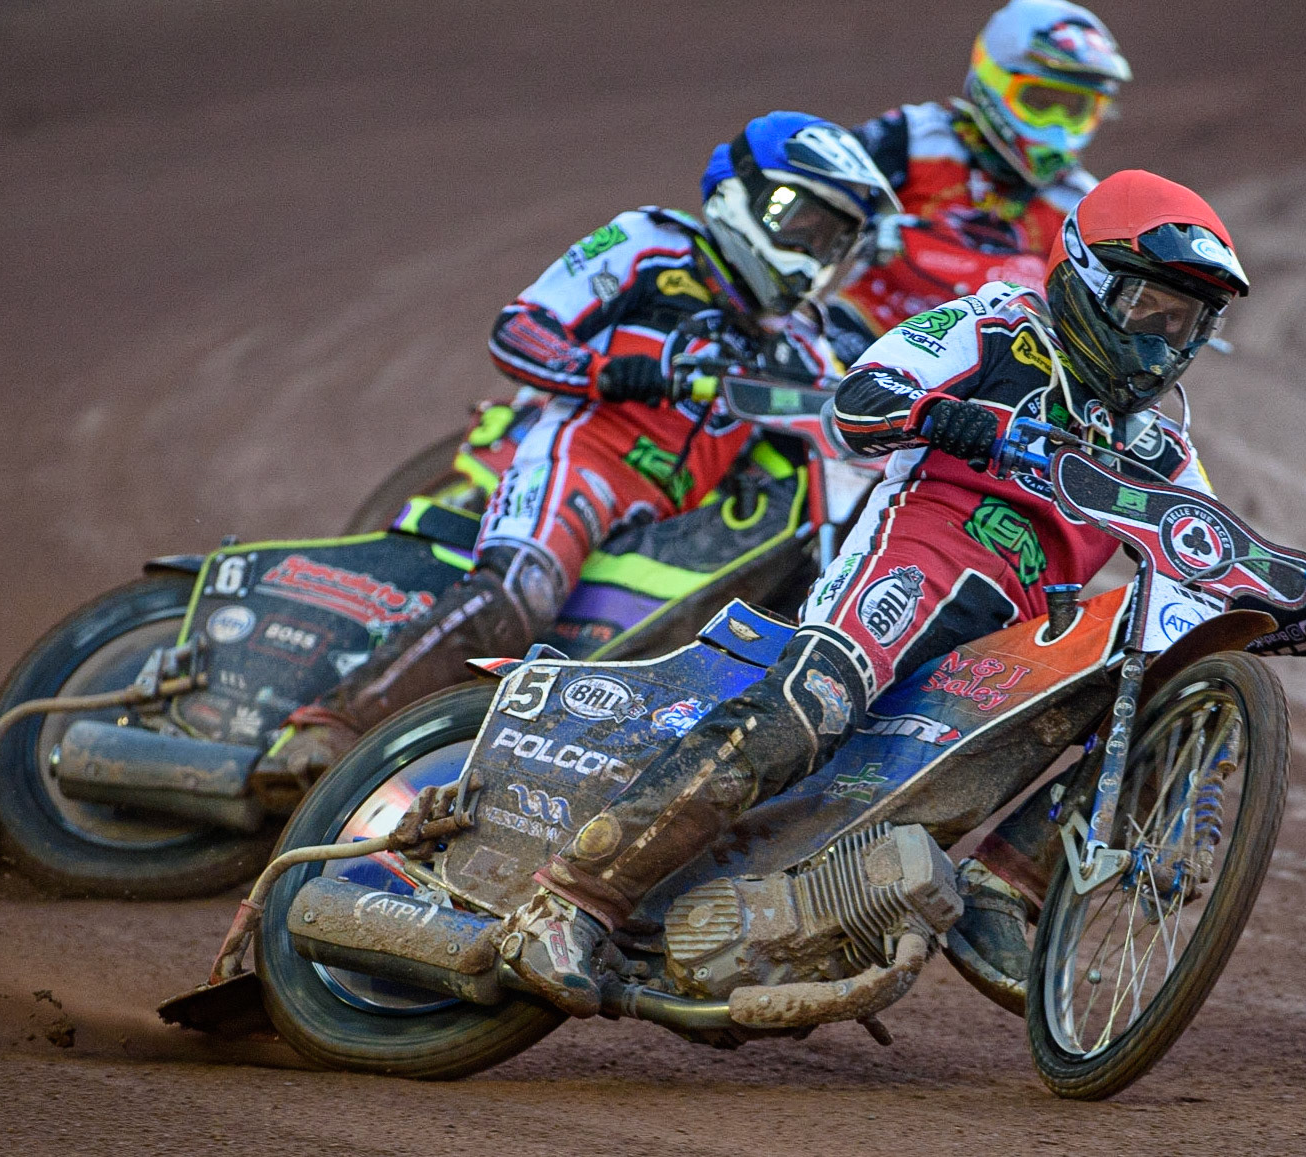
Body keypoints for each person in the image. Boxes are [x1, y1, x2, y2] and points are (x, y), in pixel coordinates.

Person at [497, 168, 1306, 1017]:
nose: (1161, 339)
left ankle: (1004, 893)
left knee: (1152, 679)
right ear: (1087, 279)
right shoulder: (993, 326)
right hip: (912, 564)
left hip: (1011, 646)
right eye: (1148, 307)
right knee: (810, 704)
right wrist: (954, 418)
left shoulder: (1158, 445)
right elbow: (861, 402)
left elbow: (1205, 563)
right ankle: (570, 900)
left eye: (1185, 323)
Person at [274, 112, 899, 770]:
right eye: (799, 219)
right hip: (585, 458)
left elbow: (847, 419)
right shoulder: (650, 244)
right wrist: (610, 372)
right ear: (738, 189)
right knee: (526, 587)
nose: (811, 246)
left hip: (669, 518)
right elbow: (521, 329)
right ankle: (331, 727)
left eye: (831, 237)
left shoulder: (801, 340)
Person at [832, 0, 1131, 353]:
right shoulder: (915, 139)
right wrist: (856, 230)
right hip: (861, 341)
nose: (1056, 125)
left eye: (1073, 109)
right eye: (1040, 101)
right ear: (993, 80)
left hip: (982, 376)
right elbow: (813, 200)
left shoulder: (1079, 208)